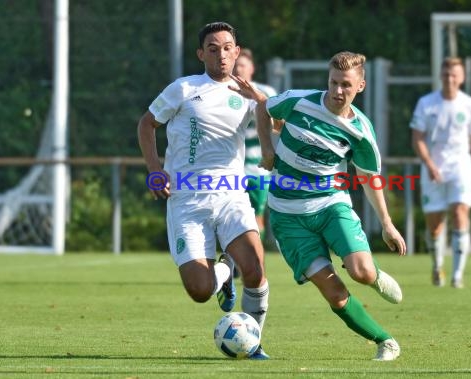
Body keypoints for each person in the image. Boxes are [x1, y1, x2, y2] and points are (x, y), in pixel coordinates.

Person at [231, 51, 407, 361]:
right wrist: (268, 150)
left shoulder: (361, 131)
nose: (338, 91)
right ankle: (385, 340)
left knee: (362, 273)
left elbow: (368, 178)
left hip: (330, 205)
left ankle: (375, 276)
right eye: (334, 83)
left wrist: (388, 224)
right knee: (334, 293)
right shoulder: (299, 101)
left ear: (361, 86)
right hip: (287, 217)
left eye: (346, 85)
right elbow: (263, 108)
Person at [137, 21, 270, 359]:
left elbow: (280, 125)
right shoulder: (183, 89)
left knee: (255, 266)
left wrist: (262, 101)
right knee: (199, 290)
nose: (221, 54)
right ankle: (224, 274)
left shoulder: (249, 94)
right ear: (201, 54)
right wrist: (155, 169)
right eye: (213, 48)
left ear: (236, 52)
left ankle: (253, 345)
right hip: (187, 199)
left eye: (227, 48)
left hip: (231, 194)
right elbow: (147, 123)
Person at [410, 57, 471, 289]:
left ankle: (457, 275)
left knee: (460, 212)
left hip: (461, 168)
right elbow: (417, 139)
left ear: (462, 77)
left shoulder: (470, 105)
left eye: (454, 74)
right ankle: (437, 267)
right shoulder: (426, 103)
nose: (450, 79)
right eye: (446, 74)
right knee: (435, 224)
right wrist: (429, 164)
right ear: (440, 76)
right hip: (433, 169)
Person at [233, 48, 278, 242]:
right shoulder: (223, 91)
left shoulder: (265, 92)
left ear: (252, 68)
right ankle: (234, 263)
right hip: (232, 168)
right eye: (235, 65)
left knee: (255, 218)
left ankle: (252, 262)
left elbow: (278, 125)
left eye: (242, 65)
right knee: (233, 218)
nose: (238, 69)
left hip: (257, 169)